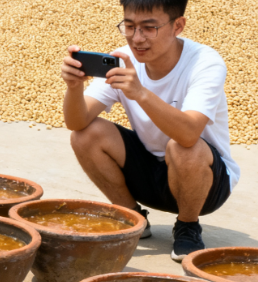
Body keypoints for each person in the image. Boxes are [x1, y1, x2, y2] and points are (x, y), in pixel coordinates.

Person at [60, 0, 239, 261]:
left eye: (149, 27)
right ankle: (132, 216)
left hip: (205, 184)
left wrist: (140, 93)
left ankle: (188, 226)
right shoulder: (123, 60)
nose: (137, 38)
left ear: (178, 26)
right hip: (149, 174)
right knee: (86, 135)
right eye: (129, 26)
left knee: (182, 147)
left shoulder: (205, 63)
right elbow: (77, 122)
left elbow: (189, 134)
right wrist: (74, 87)